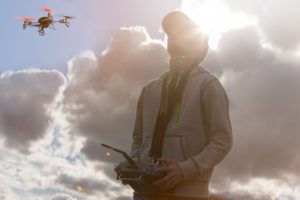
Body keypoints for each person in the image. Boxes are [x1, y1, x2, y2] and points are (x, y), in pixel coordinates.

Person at [130, 11, 232, 200]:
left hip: (187, 194)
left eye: (182, 32)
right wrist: (135, 161)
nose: (175, 37)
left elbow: (222, 140)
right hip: (143, 192)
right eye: (171, 33)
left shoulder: (209, 86)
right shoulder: (149, 90)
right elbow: (137, 137)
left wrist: (184, 170)